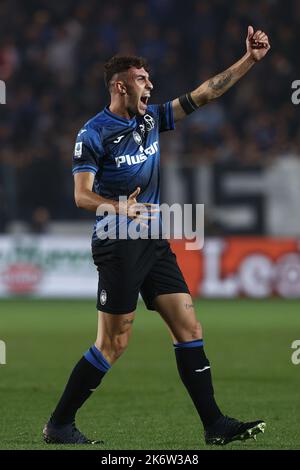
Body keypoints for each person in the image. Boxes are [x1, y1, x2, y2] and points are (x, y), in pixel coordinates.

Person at [43, 26, 270, 446]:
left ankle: (214, 424)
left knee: (189, 327)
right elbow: (81, 196)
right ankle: (59, 424)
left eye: (149, 78)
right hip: (116, 239)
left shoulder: (151, 119)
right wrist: (120, 206)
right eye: (142, 79)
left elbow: (205, 94)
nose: (151, 84)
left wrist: (249, 62)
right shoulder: (93, 133)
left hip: (152, 238)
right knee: (114, 343)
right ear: (120, 85)